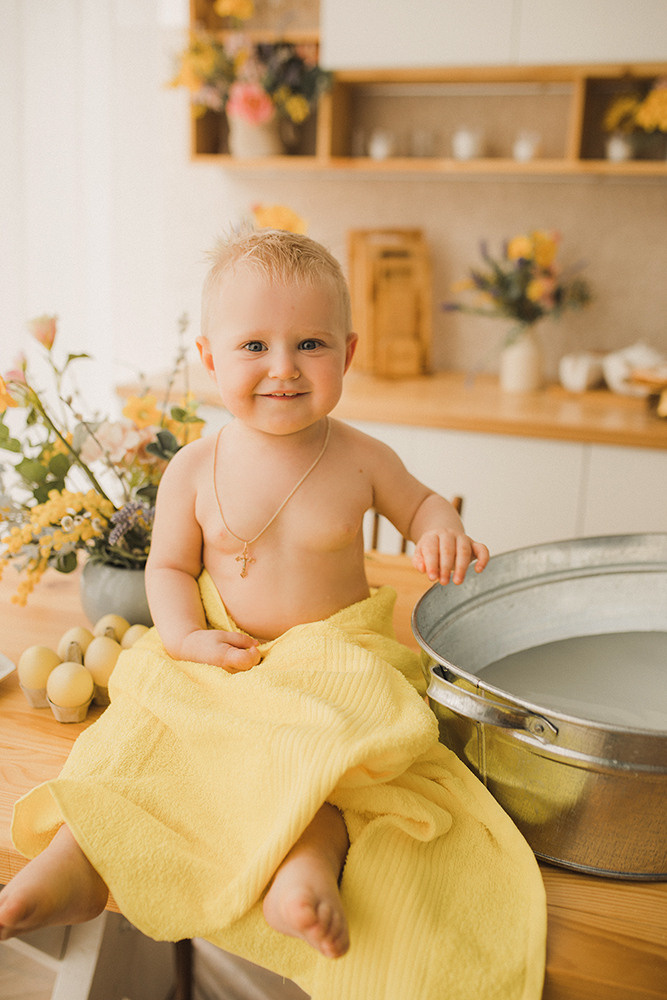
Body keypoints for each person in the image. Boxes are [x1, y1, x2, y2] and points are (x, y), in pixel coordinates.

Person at [1, 231, 545, 1000]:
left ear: (347, 354)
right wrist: (185, 635)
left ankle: (304, 870)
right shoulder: (193, 468)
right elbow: (168, 567)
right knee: (141, 734)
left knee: (327, 762)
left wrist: (439, 530)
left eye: (310, 343)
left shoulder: (360, 457)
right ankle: (76, 862)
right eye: (254, 343)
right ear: (211, 357)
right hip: (224, 652)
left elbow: (420, 504)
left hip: (330, 661)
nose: (284, 366)